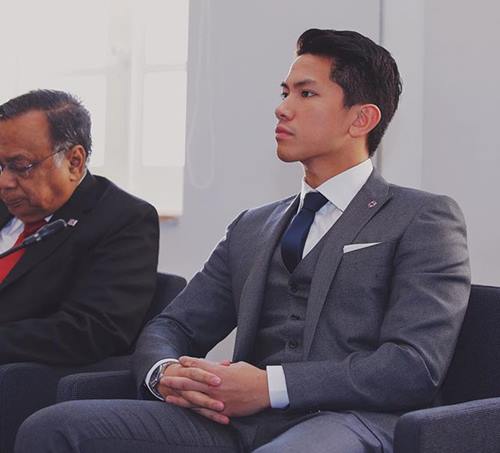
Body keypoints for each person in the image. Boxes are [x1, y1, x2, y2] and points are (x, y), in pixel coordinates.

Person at [15, 29, 470, 453]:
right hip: (234, 421)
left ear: (361, 119)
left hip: (352, 420)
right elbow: (173, 325)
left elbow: (413, 366)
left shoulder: (422, 217)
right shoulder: (253, 226)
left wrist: (269, 387)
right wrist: (166, 373)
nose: (282, 108)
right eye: (284, 92)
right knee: (53, 427)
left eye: (306, 93)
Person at [0, 89, 159, 365]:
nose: (5, 181)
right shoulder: (6, 203)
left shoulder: (124, 219)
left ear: (74, 162)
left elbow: (92, 330)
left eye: (21, 166)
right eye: (0, 166)